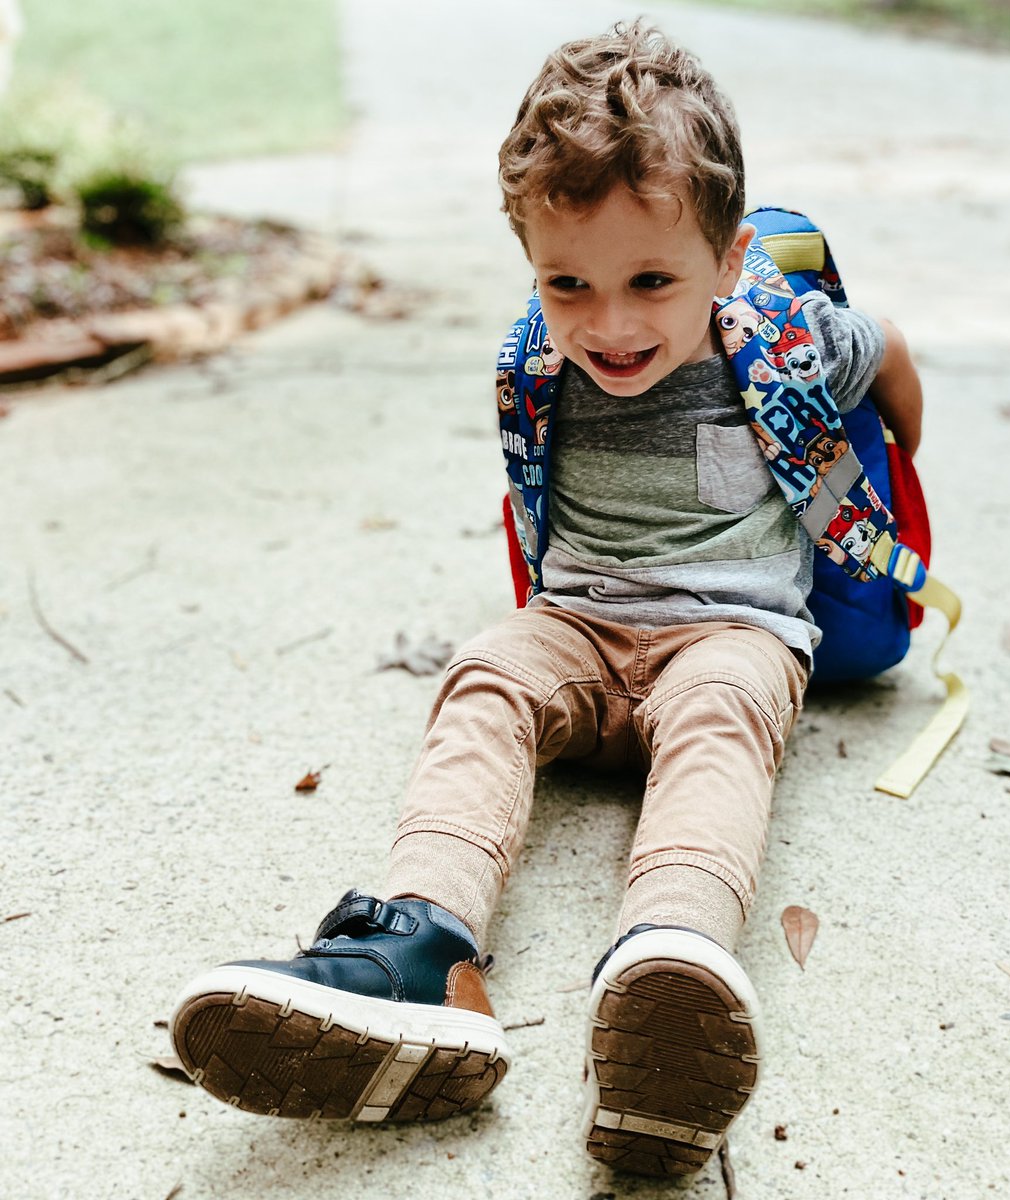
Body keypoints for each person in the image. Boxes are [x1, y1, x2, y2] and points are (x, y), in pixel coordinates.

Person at [170, 19, 922, 1178]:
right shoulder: (538, 355)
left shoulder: (787, 339)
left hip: (736, 630)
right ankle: (419, 953)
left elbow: (891, 355)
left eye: (651, 281)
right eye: (568, 282)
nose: (608, 324)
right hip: (577, 621)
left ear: (728, 261)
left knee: (723, 716)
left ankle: (669, 967)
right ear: (530, 258)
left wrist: (898, 477)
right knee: (487, 675)